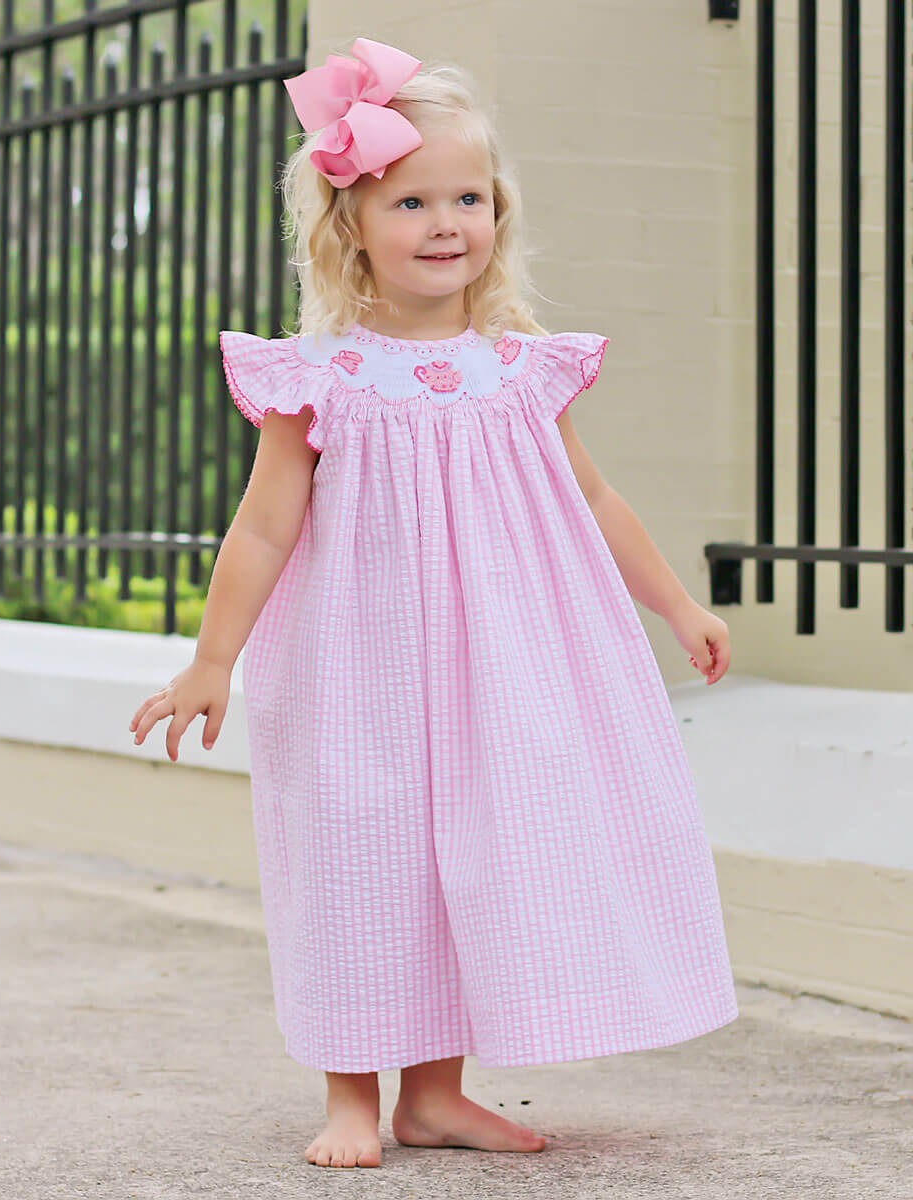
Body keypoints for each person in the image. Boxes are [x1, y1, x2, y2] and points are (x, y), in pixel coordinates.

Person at [128, 36, 738, 1170]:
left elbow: (593, 499)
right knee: (364, 859)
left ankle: (436, 1094)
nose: (448, 221)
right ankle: (353, 1093)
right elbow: (264, 527)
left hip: (501, 662)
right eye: (413, 200)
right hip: (359, 660)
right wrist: (213, 660)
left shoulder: (522, 367)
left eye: (470, 197)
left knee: (473, 858)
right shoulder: (317, 374)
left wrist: (677, 607)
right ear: (348, 223)